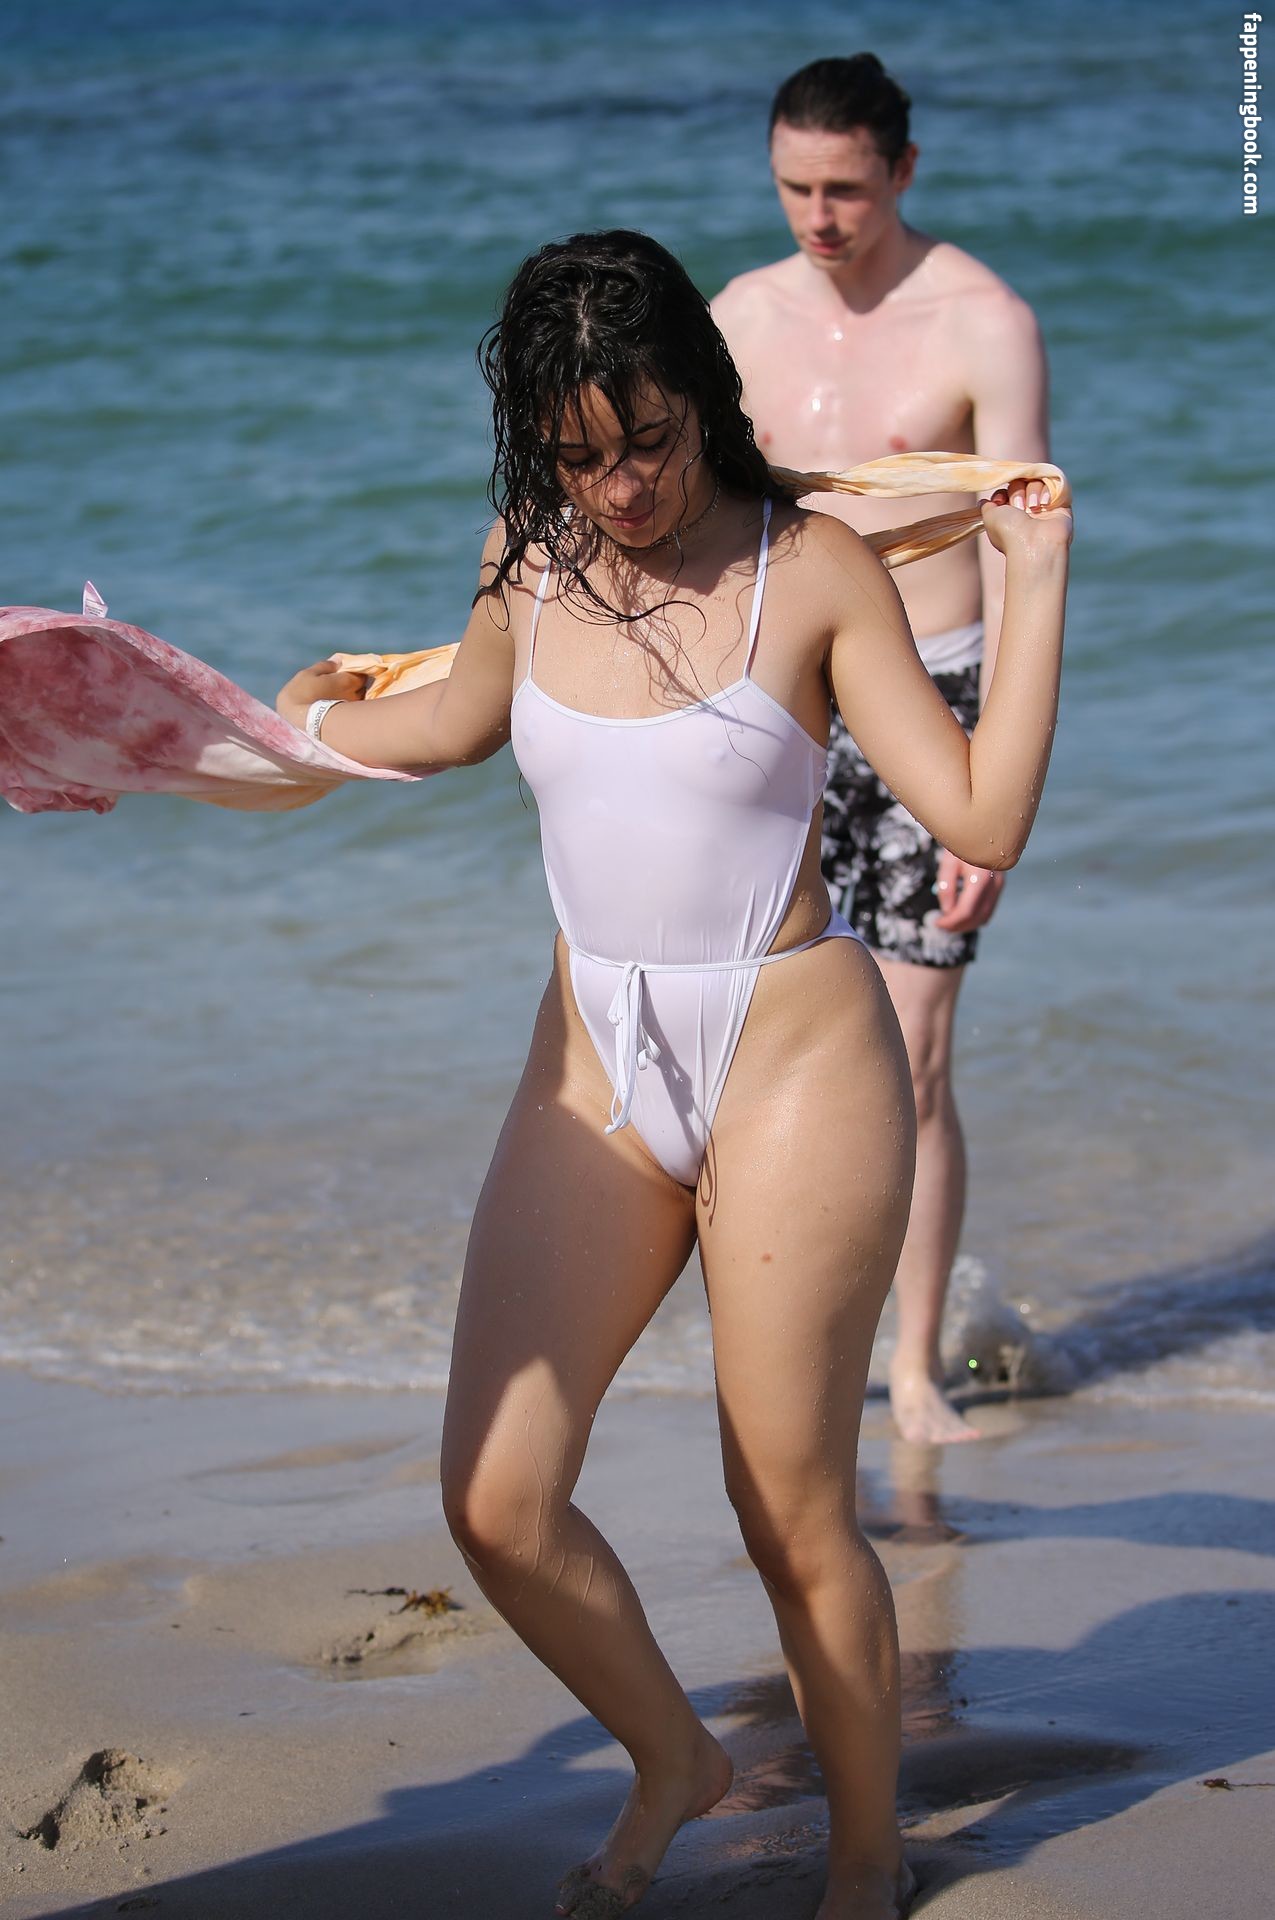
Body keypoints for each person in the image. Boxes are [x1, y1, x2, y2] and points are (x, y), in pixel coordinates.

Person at [276, 230, 1069, 1920]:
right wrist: (296, 728)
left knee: (786, 1513)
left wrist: (1037, 580)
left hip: (795, 1064)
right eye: (581, 454)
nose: (623, 484)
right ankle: (674, 1761)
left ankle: (868, 1857)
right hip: (592, 1066)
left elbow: (981, 814)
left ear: (701, 398)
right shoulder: (531, 561)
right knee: (496, 1500)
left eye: (647, 439)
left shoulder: (814, 569)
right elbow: (455, 722)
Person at [712, 55, 1052, 1445]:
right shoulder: (738, 317)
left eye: (846, 189)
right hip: (785, 703)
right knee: (758, 1046)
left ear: (904, 171)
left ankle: (910, 1369)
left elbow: (1028, 553)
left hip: (938, 702)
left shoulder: (983, 322)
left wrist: (1000, 797)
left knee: (911, 1057)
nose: (819, 217)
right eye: (794, 187)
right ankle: (790, 1348)